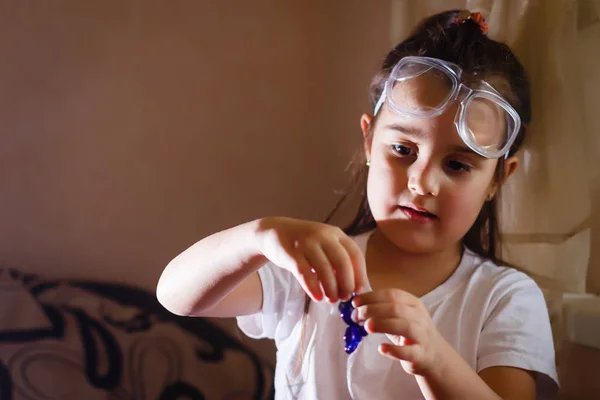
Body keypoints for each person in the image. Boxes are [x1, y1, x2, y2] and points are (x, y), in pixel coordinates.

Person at [156, 9, 558, 399]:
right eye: (402, 149)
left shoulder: (506, 298)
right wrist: (259, 236)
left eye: (456, 164)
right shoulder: (310, 269)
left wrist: (434, 359)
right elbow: (175, 295)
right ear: (369, 141)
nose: (421, 182)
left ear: (499, 179)